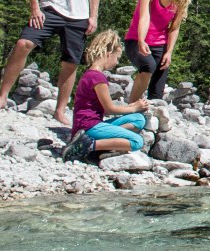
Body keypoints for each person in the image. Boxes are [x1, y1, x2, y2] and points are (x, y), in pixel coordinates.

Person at [62, 30, 150, 162]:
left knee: (138, 119)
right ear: (108, 54)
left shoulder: (90, 73)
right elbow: (109, 109)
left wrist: (132, 108)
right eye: (117, 58)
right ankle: (86, 145)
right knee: (137, 141)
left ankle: (99, 144)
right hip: (88, 127)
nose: (116, 63)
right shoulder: (98, 78)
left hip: (89, 124)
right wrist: (134, 107)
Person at [124, 0, 192, 102]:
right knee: (148, 66)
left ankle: (154, 115)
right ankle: (131, 107)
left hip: (160, 43)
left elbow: (174, 28)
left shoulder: (180, 0)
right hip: (136, 39)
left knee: (158, 82)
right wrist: (141, 40)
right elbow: (144, 17)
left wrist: (169, 52)